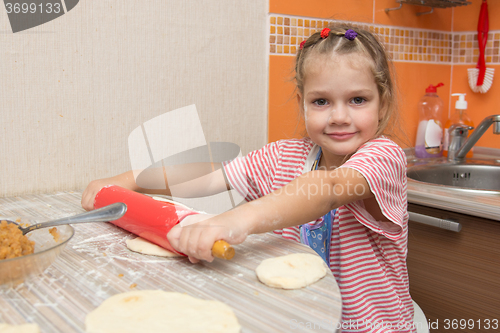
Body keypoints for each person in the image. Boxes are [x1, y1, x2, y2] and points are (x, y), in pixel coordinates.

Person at [82, 24, 415, 332]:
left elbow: (328, 188)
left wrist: (231, 222)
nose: (339, 116)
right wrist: (128, 180)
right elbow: (211, 174)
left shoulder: (384, 158)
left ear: (382, 105)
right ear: (302, 103)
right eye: (321, 101)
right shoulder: (283, 157)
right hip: (297, 321)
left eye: (358, 100)